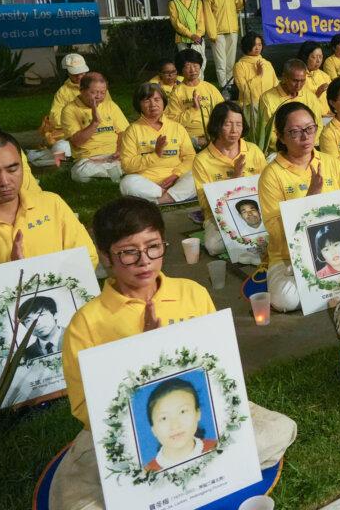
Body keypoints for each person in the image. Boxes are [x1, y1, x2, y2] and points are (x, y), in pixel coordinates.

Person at [56, 197, 295, 503]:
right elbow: (85, 407)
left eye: (153, 247)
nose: (144, 261)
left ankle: (178, 482)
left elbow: (218, 367)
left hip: (196, 416)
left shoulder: (191, 293)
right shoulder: (86, 323)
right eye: (128, 252)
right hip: (128, 434)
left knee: (279, 430)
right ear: (105, 256)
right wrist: (144, 355)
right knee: (73, 499)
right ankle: (186, 480)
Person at [0, 131, 97, 325]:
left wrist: (28, 275)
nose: (4, 181)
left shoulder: (51, 204)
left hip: (63, 317)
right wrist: (7, 276)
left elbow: (88, 258)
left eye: (13, 169)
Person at [259, 102, 340, 312]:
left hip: (339, 248)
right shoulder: (271, 175)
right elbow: (276, 232)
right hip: (290, 256)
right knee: (286, 299)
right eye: (295, 132)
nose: (305, 137)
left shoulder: (331, 163)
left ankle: (328, 291)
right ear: (281, 136)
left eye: (310, 129)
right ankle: (337, 291)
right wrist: (309, 200)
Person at [191, 102, 268, 257]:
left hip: (257, 211)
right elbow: (205, 203)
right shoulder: (202, 160)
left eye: (239, 124)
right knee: (213, 246)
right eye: (228, 124)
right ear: (217, 126)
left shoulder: (253, 150)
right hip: (220, 216)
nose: (234, 130)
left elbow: (267, 187)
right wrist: (236, 178)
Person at [119, 82, 197, 205]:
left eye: (157, 99)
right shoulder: (132, 130)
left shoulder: (177, 128)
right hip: (146, 182)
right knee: (126, 183)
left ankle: (159, 201)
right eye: (147, 100)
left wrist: (176, 175)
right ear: (139, 104)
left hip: (177, 179)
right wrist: (155, 155)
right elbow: (127, 165)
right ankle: (171, 195)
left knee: (198, 175)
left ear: (163, 102)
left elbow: (190, 157)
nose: (153, 104)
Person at [62, 72, 130, 183]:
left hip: (114, 156)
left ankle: (109, 175)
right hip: (90, 160)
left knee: (135, 159)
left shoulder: (110, 105)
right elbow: (77, 142)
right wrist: (94, 123)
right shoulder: (69, 109)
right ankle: (117, 174)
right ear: (81, 90)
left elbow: (124, 132)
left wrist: (119, 151)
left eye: (103, 93)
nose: (98, 96)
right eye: (93, 92)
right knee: (81, 173)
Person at [142, 377, 217, 472]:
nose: (175, 426)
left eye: (182, 411)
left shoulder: (218, 447)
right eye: (164, 418)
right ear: (154, 430)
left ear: (198, 414)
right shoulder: (147, 474)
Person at [36, 53, 90, 166]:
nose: (79, 76)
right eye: (75, 73)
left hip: (95, 131)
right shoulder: (63, 92)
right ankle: (64, 167)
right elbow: (55, 117)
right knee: (60, 149)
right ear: (68, 73)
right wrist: (76, 122)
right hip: (69, 134)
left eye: (81, 72)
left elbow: (109, 110)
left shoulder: (97, 86)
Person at [259, 58, 325, 148]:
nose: (298, 85)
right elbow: (268, 132)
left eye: (302, 81)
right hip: (282, 149)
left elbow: (318, 124)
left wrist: (308, 143)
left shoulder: (310, 96)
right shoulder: (267, 98)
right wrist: (291, 147)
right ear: (284, 77)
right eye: (295, 80)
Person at [166, 49, 224, 149]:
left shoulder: (210, 88)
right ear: (181, 69)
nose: (193, 70)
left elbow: (224, 113)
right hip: (189, 137)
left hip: (213, 134)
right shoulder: (176, 93)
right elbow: (173, 122)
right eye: (187, 66)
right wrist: (193, 109)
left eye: (195, 65)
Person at [202, 0, 244, 87]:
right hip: (218, 32)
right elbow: (208, 13)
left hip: (232, 31)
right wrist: (212, 33)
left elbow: (237, 8)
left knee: (230, 63)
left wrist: (242, 1)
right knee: (221, 63)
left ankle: (230, 86)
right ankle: (224, 88)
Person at [168, 0, 207, 71]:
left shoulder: (198, 2)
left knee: (201, 63)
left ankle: (200, 81)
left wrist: (198, 35)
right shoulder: (173, 3)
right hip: (182, 39)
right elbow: (176, 23)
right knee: (185, 65)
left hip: (198, 39)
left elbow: (201, 20)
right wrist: (190, 35)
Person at [232, 32, 278, 108]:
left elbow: (276, 85)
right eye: (254, 45)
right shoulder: (239, 66)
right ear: (246, 46)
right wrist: (259, 76)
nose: (257, 48)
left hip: (270, 104)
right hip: (250, 107)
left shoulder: (267, 63)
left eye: (259, 45)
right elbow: (245, 91)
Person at [18, 295, 65, 362]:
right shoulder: (25, 356)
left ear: (54, 315)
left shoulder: (77, 336)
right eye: (28, 320)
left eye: (41, 315)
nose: (36, 323)